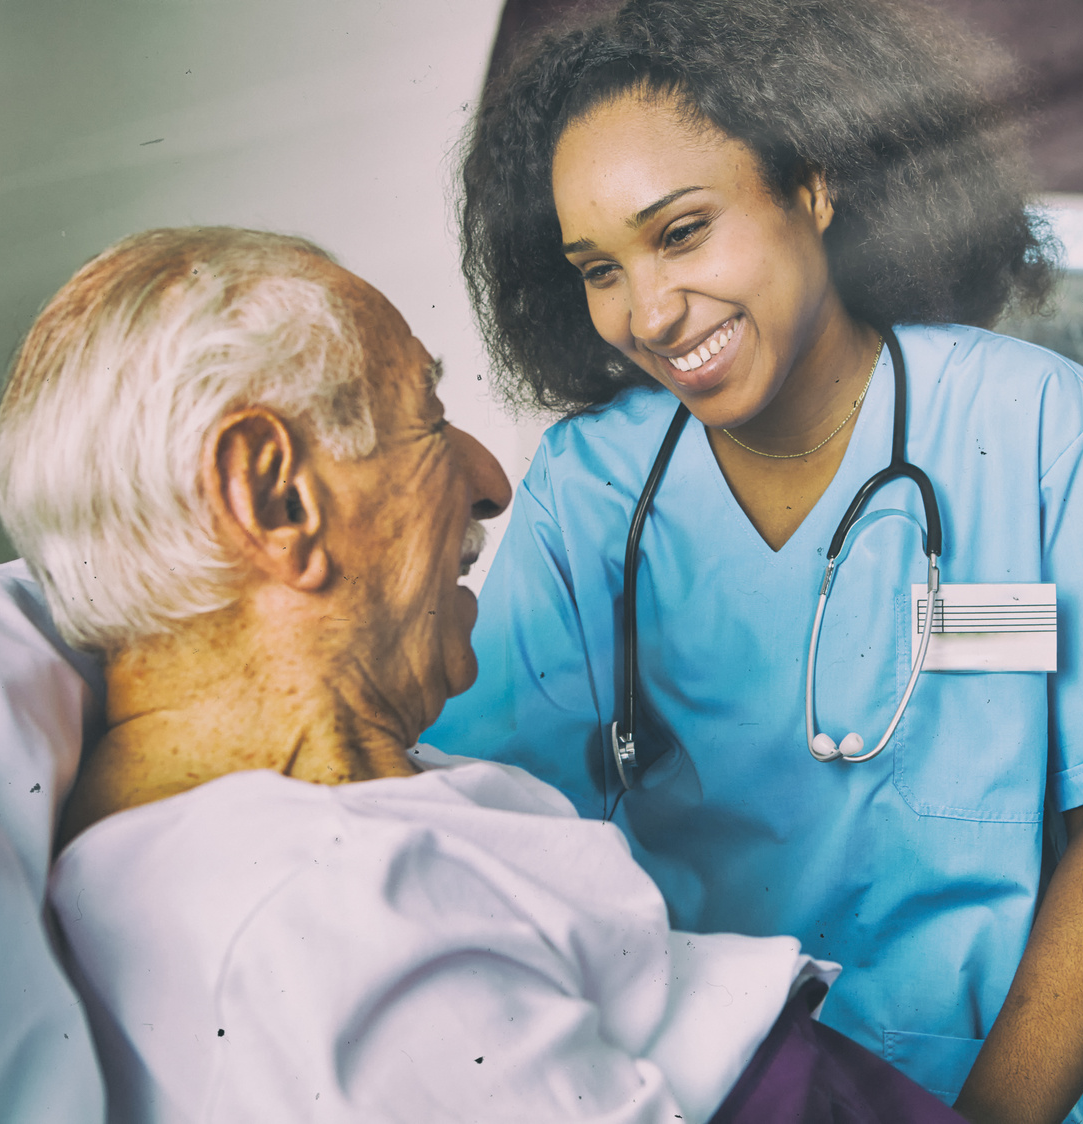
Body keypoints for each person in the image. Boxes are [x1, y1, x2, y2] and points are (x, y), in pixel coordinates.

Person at [0, 226, 969, 1122]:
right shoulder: (321, 917)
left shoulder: (303, 831)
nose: (492, 482)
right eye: (426, 416)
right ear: (275, 498)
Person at [422, 1, 1083, 1121]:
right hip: (715, 1093)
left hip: (994, 1080)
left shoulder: (1029, 425)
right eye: (598, 268)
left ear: (812, 185)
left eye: (681, 231)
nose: (648, 312)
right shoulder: (591, 490)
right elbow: (492, 829)